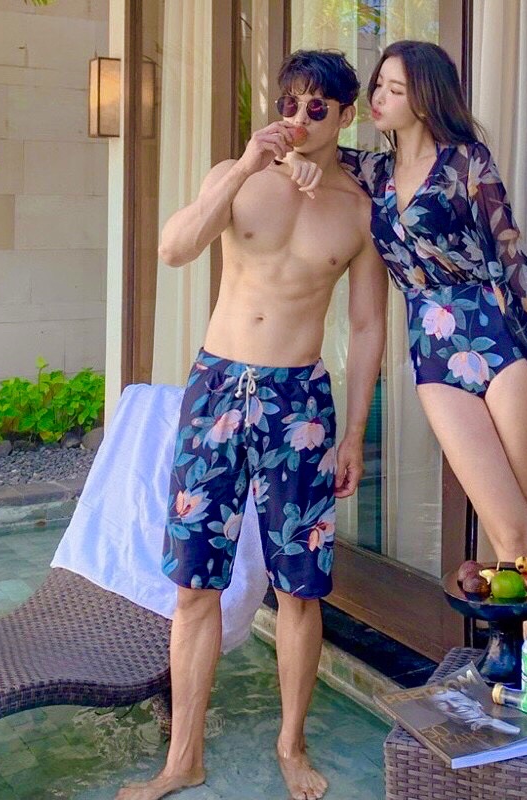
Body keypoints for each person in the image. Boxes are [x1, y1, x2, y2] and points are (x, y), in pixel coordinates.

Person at [116, 50, 388, 800]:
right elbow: (174, 249)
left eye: (316, 109)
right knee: (193, 582)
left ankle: (291, 746)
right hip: (217, 389)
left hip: (300, 405)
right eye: (288, 104)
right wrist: (243, 166)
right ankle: (183, 758)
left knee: (300, 589)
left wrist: (353, 433)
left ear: (346, 115)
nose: (298, 120)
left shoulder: (358, 210)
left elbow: (369, 328)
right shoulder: (237, 176)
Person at [286, 40, 527, 635]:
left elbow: (511, 253)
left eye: (394, 89)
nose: (379, 98)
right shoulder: (372, 172)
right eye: (377, 86)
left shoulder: (468, 162)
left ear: (423, 100)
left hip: (501, 338)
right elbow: (305, 144)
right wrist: (289, 158)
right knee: (505, 524)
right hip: (434, 354)